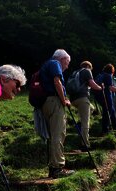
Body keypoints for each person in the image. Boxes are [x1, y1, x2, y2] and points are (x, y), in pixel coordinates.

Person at [39, 49, 75, 178]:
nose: (67, 65)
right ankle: (57, 168)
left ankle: (53, 166)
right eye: (67, 62)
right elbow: (57, 82)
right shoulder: (55, 63)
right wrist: (64, 99)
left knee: (53, 134)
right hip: (54, 101)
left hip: (46, 102)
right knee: (58, 134)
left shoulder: (46, 64)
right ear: (62, 59)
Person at [68, 61, 102, 150]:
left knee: (92, 108)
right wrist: (100, 87)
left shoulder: (75, 72)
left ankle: (79, 123)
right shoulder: (86, 71)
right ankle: (85, 144)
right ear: (88, 66)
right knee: (85, 123)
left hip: (73, 99)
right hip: (82, 98)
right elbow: (92, 84)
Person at [94, 63, 116, 134]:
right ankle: (105, 129)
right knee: (107, 111)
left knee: (111, 110)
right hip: (106, 95)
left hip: (98, 95)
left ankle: (115, 128)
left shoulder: (100, 75)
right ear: (112, 70)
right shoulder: (108, 76)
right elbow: (110, 87)